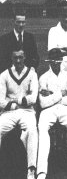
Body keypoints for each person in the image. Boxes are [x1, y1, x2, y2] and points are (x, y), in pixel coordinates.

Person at [37, 49, 67, 179]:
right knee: (42, 129)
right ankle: (41, 171)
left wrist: (52, 95)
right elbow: (43, 103)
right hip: (48, 111)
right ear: (49, 61)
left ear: (61, 61)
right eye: (52, 61)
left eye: (57, 61)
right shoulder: (43, 78)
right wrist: (60, 93)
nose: (55, 64)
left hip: (65, 109)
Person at [0, 49, 38, 179]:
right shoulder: (4, 75)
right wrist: (17, 103)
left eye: (20, 57)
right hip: (9, 112)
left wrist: (15, 100)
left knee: (32, 130)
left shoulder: (32, 74)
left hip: (27, 112)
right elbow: (0, 101)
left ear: (24, 57)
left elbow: (33, 98)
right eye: (15, 58)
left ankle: (31, 170)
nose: (18, 61)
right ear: (11, 59)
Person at [0, 8, 39, 73]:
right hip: (10, 73)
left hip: (27, 73)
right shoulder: (4, 39)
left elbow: (35, 57)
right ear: (13, 22)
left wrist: (32, 67)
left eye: (23, 22)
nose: (21, 25)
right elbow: (2, 59)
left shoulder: (30, 37)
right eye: (18, 22)